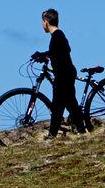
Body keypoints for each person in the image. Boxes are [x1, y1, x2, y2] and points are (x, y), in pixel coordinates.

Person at [34, 8, 86, 138]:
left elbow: (62, 50)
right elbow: (60, 50)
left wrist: (45, 55)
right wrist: (46, 55)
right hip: (64, 74)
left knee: (59, 105)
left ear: (46, 22)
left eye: (42, 22)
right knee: (67, 105)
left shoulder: (58, 35)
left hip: (64, 75)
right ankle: (80, 130)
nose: (41, 25)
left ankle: (53, 135)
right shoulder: (57, 36)